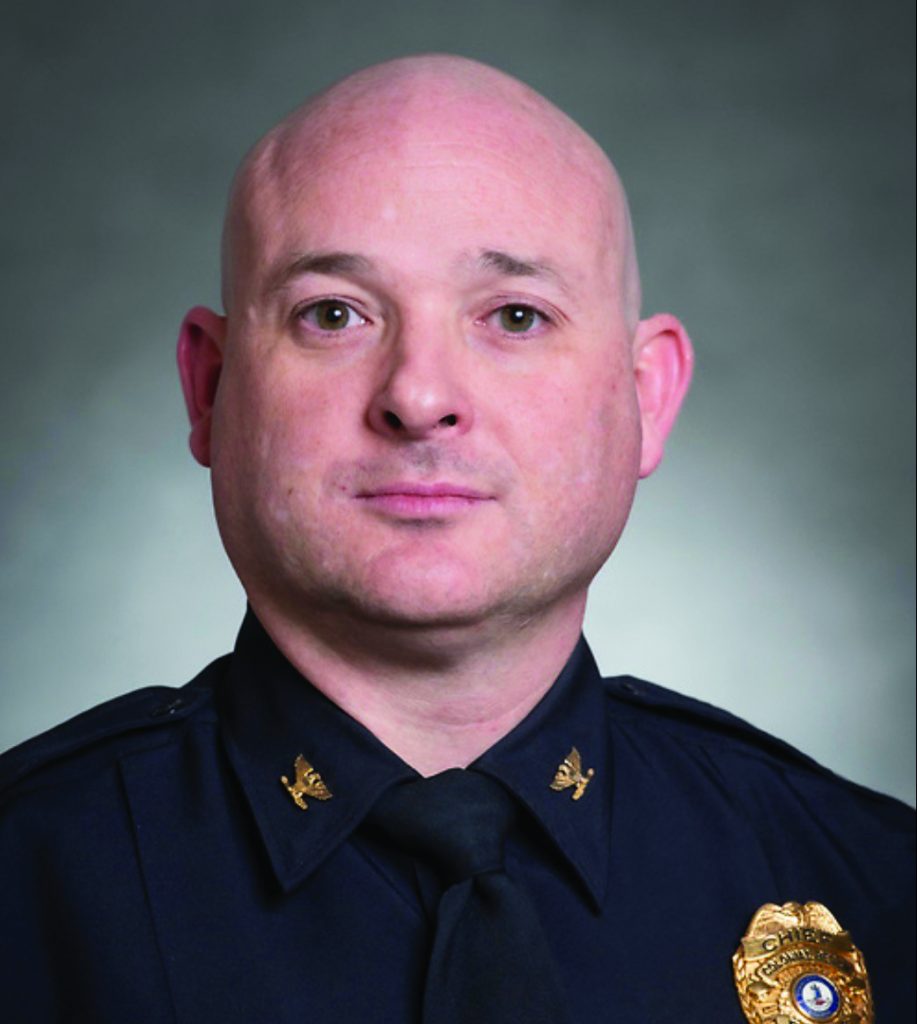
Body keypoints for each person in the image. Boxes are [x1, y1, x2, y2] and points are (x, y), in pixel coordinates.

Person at [0, 54, 911, 1024]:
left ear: (645, 397)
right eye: (332, 314)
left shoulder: (874, 886)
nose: (418, 395)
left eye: (515, 316)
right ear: (210, 389)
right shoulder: (27, 884)